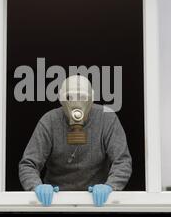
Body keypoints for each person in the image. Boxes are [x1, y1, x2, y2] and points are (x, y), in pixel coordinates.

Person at [19, 75, 132, 207]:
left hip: (96, 202)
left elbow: (122, 161)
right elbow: (28, 164)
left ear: (91, 98)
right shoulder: (49, 121)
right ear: (61, 99)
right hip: (56, 202)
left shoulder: (107, 117)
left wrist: (110, 186)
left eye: (83, 97)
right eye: (69, 97)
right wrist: (36, 186)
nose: (76, 103)